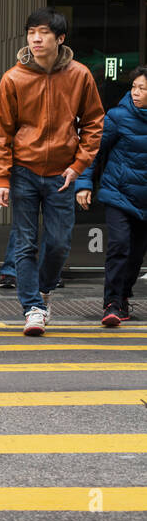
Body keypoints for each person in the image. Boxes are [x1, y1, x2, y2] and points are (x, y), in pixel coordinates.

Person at [0, 7, 104, 336]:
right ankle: (33, 309)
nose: (36, 39)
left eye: (43, 33)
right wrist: (2, 177)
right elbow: (2, 132)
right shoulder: (13, 77)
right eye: (31, 33)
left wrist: (78, 165)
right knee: (25, 244)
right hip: (24, 171)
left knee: (58, 244)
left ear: (60, 38)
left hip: (62, 174)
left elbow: (94, 124)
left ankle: (44, 290)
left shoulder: (80, 75)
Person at [77, 65, 147, 327]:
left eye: (142, 88)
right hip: (118, 192)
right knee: (119, 246)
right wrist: (84, 183)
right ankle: (112, 302)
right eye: (134, 87)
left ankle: (123, 294)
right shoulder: (118, 117)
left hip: (145, 199)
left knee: (137, 254)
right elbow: (93, 151)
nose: (136, 92)